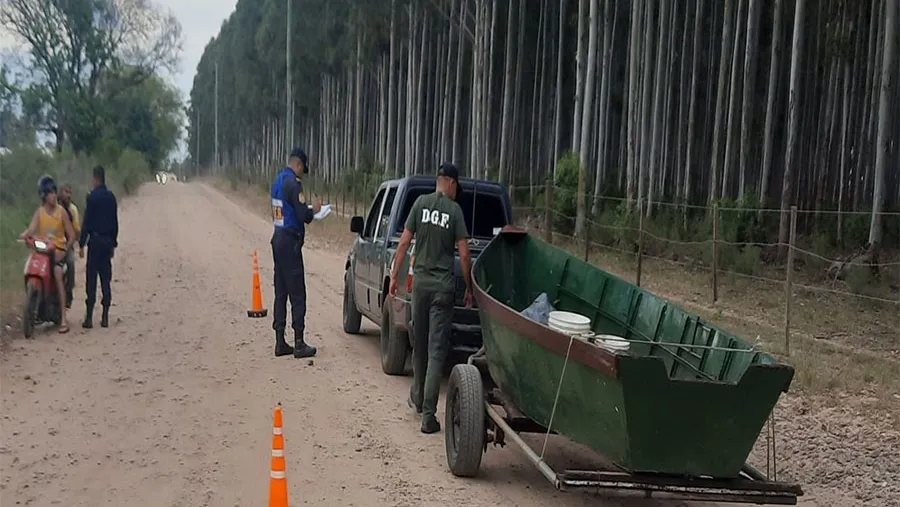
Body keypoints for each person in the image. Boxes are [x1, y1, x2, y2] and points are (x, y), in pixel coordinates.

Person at [389, 163, 473, 434]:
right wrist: (469, 286)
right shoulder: (455, 211)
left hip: (421, 287)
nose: (456, 190)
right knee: (437, 351)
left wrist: (394, 277)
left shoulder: (420, 204)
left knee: (420, 345)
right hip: (442, 289)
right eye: (456, 185)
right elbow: (464, 253)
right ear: (449, 182)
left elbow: (403, 242)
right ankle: (428, 415)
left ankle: (416, 396)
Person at [270, 147, 322, 358]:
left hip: (278, 237)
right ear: (299, 164)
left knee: (280, 291)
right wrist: (315, 210)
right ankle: (299, 342)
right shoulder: (294, 183)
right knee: (297, 292)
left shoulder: (277, 181)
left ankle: (280, 340)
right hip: (290, 241)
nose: (302, 173)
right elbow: (303, 215)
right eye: (303, 168)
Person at [19, 175, 77, 333]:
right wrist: (25, 235)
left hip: (57, 250)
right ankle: (34, 306)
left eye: (54, 192)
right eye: (50, 192)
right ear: (43, 195)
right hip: (43, 249)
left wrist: (65, 249)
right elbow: (31, 229)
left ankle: (64, 319)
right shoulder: (39, 212)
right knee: (31, 263)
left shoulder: (62, 212)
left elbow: (71, 235)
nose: (53, 195)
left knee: (58, 273)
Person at [78, 165, 118, 329]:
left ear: (95, 178)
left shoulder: (91, 197)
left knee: (92, 278)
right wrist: (114, 242)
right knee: (105, 277)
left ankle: (89, 318)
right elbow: (115, 223)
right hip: (107, 241)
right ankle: (105, 316)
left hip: (94, 242)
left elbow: (86, 222)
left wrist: (81, 243)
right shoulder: (111, 197)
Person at [59, 183, 81, 309]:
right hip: (52, 244)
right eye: (66, 192)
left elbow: (76, 230)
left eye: (70, 192)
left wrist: (74, 243)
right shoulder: (53, 208)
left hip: (67, 244)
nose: (68, 195)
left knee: (71, 263)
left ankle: (68, 292)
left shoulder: (72, 210)